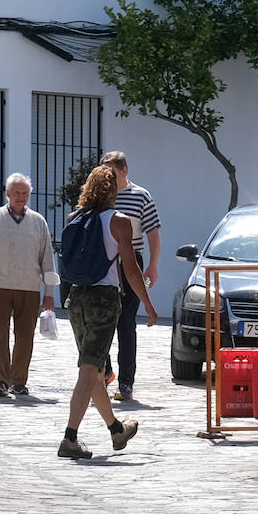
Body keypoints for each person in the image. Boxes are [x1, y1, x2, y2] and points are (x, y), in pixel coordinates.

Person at [59, 166, 157, 459]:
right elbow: (130, 268)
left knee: (96, 370)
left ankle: (116, 430)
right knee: (89, 370)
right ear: (112, 190)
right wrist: (149, 305)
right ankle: (70, 438)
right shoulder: (119, 221)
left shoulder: (73, 219)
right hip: (103, 299)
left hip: (75, 298)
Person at [0, 173, 58, 398]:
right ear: (8, 193)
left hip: (29, 289)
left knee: (25, 336)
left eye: (25, 193)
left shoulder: (38, 222)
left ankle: (19, 381)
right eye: (17, 192)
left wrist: (49, 294)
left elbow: (47, 260)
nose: (21, 197)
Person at [100, 150, 161, 402]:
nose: (108, 177)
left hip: (131, 261)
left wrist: (153, 265)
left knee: (126, 323)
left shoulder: (140, 196)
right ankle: (106, 371)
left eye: (112, 172)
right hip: (103, 262)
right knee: (101, 321)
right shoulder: (100, 196)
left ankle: (126, 382)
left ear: (124, 171)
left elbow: (153, 232)